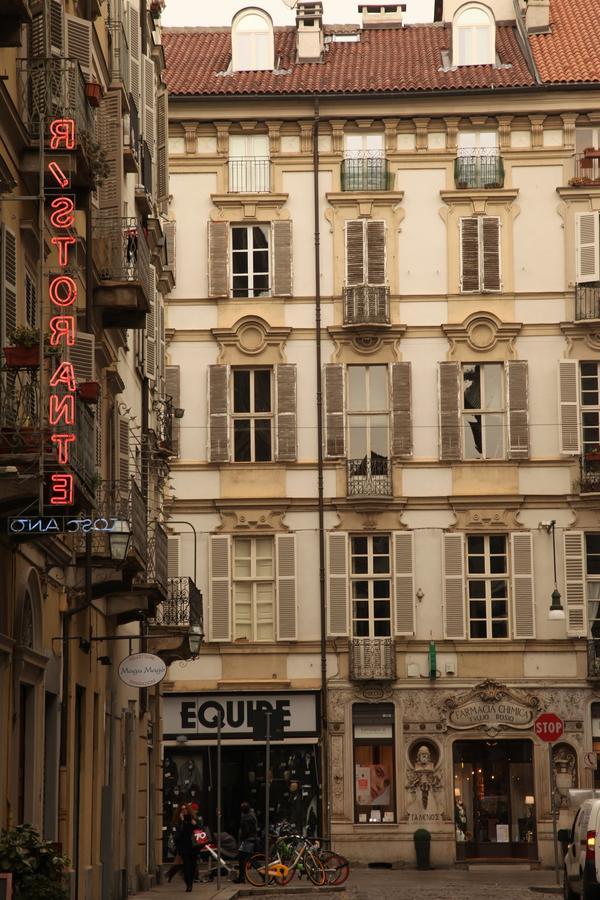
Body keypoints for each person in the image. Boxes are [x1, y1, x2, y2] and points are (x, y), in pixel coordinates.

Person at [174, 806, 201, 892]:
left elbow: (200, 831)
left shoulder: (192, 820)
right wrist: (182, 821)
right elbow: (179, 832)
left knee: (192, 866)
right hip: (184, 848)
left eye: (185, 809)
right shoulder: (179, 821)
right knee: (186, 866)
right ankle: (188, 884)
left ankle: (191, 881)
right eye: (182, 809)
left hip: (193, 847)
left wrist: (195, 824)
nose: (184, 811)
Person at [235, 801, 258, 884]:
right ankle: (241, 877)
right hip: (251, 839)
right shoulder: (252, 815)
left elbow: (246, 831)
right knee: (244, 859)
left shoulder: (245, 818)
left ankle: (264, 875)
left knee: (248, 859)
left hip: (247, 840)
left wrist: (242, 837)